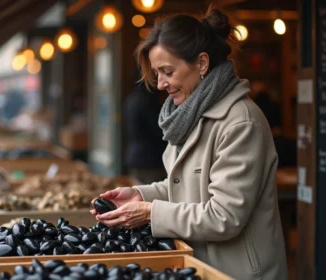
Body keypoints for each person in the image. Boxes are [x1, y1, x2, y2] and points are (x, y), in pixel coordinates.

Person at [91, 6, 287, 280]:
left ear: (202, 63)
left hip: (237, 272)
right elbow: (187, 186)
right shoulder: (189, 115)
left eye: (167, 72)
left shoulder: (241, 122)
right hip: (200, 264)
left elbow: (224, 216)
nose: (160, 84)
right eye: (157, 73)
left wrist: (150, 213)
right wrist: (141, 195)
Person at [123, 67, 167, 184]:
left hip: (134, 155)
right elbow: (159, 130)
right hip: (150, 158)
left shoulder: (130, 99)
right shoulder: (148, 101)